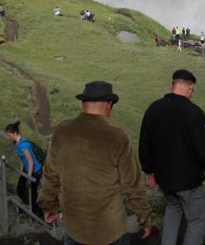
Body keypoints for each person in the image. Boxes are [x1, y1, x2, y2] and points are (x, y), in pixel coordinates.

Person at [38, 81, 151, 245]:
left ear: (83, 103)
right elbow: (132, 185)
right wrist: (144, 218)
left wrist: (48, 205)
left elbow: (51, 175)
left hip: (75, 229)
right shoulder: (117, 137)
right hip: (110, 231)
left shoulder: (63, 131)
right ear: (109, 105)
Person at [139, 69, 205, 245]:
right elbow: (203, 148)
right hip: (188, 182)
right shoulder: (194, 112)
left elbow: (144, 144)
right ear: (191, 86)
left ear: (172, 85)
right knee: (196, 221)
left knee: (173, 208)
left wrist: (149, 171)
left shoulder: (153, 108)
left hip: (164, 180)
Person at [5, 120, 43, 218]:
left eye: (9, 135)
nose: (7, 138)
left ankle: (38, 213)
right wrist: (22, 172)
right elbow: (22, 159)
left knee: (31, 192)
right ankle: (33, 209)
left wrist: (28, 178)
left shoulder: (23, 145)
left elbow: (31, 162)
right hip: (27, 170)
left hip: (34, 171)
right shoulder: (16, 143)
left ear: (15, 133)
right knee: (20, 190)